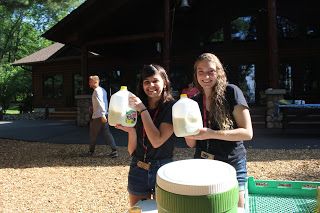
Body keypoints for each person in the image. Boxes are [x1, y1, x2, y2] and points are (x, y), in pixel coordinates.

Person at [184, 53, 253, 208]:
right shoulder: (194, 101)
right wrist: (185, 130)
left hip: (231, 163)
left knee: (236, 208)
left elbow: (248, 133)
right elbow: (191, 144)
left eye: (211, 71)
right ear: (196, 75)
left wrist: (211, 133)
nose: (205, 76)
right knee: (207, 208)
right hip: (203, 164)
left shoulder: (231, 92)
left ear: (219, 72)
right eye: (200, 71)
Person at [115, 64, 175, 206]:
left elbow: (156, 141)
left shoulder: (172, 107)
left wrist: (142, 109)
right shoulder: (135, 108)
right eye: (146, 82)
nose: (151, 85)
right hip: (138, 166)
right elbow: (132, 151)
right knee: (138, 210)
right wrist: (130, 131)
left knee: (163, 209)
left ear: (165, 82)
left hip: (162, 167)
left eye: (155, 81)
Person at [82, 75, 118, 158]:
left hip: (99, 116)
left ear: (95, 82)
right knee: (107, 133)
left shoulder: (97, 91)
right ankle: (114, 151)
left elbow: (101, 103)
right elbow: (104, 102)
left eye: (90, 81)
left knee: (93, 134)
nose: (89, 83)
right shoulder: (103, 90)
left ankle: (91, 152)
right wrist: (94, 108)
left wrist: (102, 114)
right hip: (103, 115)